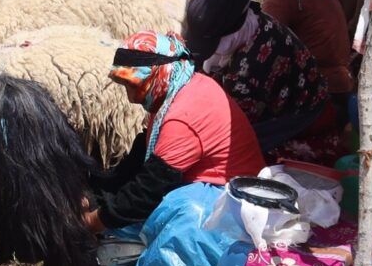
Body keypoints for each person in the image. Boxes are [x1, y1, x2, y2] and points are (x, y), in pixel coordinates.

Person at [82, 31, 263, 236]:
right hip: (210, 187)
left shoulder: (182, 116)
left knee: (162, 237)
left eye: (134, 86)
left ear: (160, 73)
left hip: (227, 207)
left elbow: (150, 188)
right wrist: (95, 196)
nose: (131, 98)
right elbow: (140, 160)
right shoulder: (182, 88)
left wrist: (92, 222)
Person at [181, 0, 332, 158]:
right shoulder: (256, 22)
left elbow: (231, 126)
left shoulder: (248, 72)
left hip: (302, 113)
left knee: (242, 150)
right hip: (295, 91)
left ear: (231, 34)